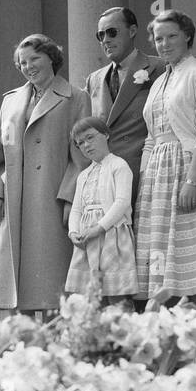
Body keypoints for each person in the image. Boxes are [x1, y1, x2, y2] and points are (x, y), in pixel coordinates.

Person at [0, 33, 91, 314]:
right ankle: (27, 345)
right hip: (15, 198)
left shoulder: (76, 98)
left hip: (52, 195)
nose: (28, 67)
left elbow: (80, 155)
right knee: (20, 282)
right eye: (22, 63)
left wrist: (70, 199)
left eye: (34, 59)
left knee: (54, 280)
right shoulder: (11, 101)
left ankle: (57, 343)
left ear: (51, 56)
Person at [135, 9, 196, 310]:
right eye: (159, 39)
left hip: (185, 168)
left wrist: (192, 179)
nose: (165, 44)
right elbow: (150, 136)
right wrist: (144, 185)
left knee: (189, 258)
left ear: (187, 35)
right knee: (161, 264)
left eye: (172, 36)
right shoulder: (160, 80)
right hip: (157, 177)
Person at [64, 7, 165, 224]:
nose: (105, 40)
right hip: (107, 183)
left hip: (145, 174)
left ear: (132, 31)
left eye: (112, 32)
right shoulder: (95, 79)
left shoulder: (159, 67)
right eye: (100, 35)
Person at [64, 117, 137, 305]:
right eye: (80, 143)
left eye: (90, 138)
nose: (86, 145)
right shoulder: (84, 175)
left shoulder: (119, 166)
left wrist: (100, 227)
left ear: (105, 134)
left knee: (115, 291)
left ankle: (119, 326)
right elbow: (77, 209)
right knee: (90, 294)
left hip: (112, 234)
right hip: (88, 239)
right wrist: (73, 232)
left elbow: (121, 202)